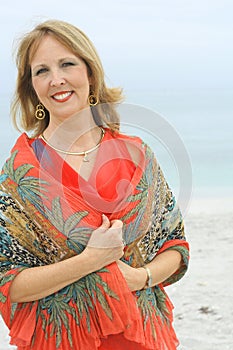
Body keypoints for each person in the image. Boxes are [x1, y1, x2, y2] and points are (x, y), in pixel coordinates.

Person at [0, 19, 189, 350]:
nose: (56, 79)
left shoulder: (136, 155)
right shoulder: (20, 173)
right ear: (31, 87)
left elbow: (175, 247)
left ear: (89, 73)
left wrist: (140, 277)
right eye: (41, 71)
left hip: (141, 337)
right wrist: (90, 260)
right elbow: (8, 282)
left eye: (67, 64)